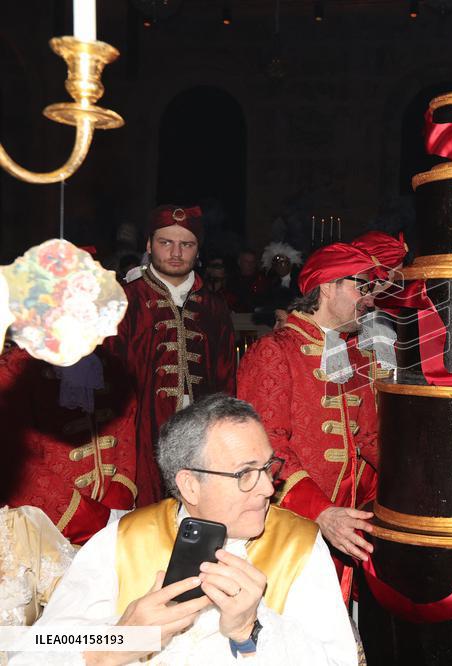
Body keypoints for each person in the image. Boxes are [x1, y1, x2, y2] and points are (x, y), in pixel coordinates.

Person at [14, 394, 359, 665]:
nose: (268, 488)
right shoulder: (124, 540)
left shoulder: (298, 545)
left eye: (269, 467)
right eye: (246, 474)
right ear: (190, 486)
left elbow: (337, 660)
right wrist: (118, 642)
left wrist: (249, 629)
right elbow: (37, 650)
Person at [236, 232, 406, 596]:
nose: (370, 298)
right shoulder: (274, 351)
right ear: (328, 286)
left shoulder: (355, 354)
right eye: (363, 286)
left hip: (346, 528)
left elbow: (369, 438)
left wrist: (416, 482)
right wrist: (322, 512)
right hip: (288, 528)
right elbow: (268, 448)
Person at [104, 205, 236, 505]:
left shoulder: (214, 306)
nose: (176, 252)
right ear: (149, 246)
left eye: (186, 244)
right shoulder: (125, 300)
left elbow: (227, 379)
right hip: (139, 434)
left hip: (201, 433)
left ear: (197, 250)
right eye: (166, 243)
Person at [0, 347, 138, 545]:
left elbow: (125, 433)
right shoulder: (14, 368)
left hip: (111, 519)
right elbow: (13, 458)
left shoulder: (110, 364)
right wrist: (87, 519)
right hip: (40, 530)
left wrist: (117, 503)